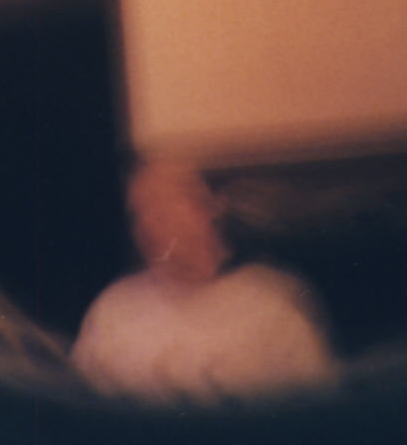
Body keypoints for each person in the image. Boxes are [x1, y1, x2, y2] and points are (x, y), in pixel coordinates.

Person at [70, 160, 337, 402]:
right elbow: (79, 412)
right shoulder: (112, 310)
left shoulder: (272, 307)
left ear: (209, 207)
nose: (148, 223)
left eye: (164, 203)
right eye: (138, 213)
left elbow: (318, 413)